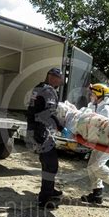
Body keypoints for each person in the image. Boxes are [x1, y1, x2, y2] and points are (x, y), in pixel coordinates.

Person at [26, 68, 66, 209]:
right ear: (52, 77)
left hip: (35, 129)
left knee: (46, 162)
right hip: (42, 131)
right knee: (51, 165)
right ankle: (45, 199)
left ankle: (50, 190)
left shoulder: (38, 87)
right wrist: (62, 128)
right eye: (59, 79)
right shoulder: (49, 90)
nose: (61, 82)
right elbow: (48, 113)